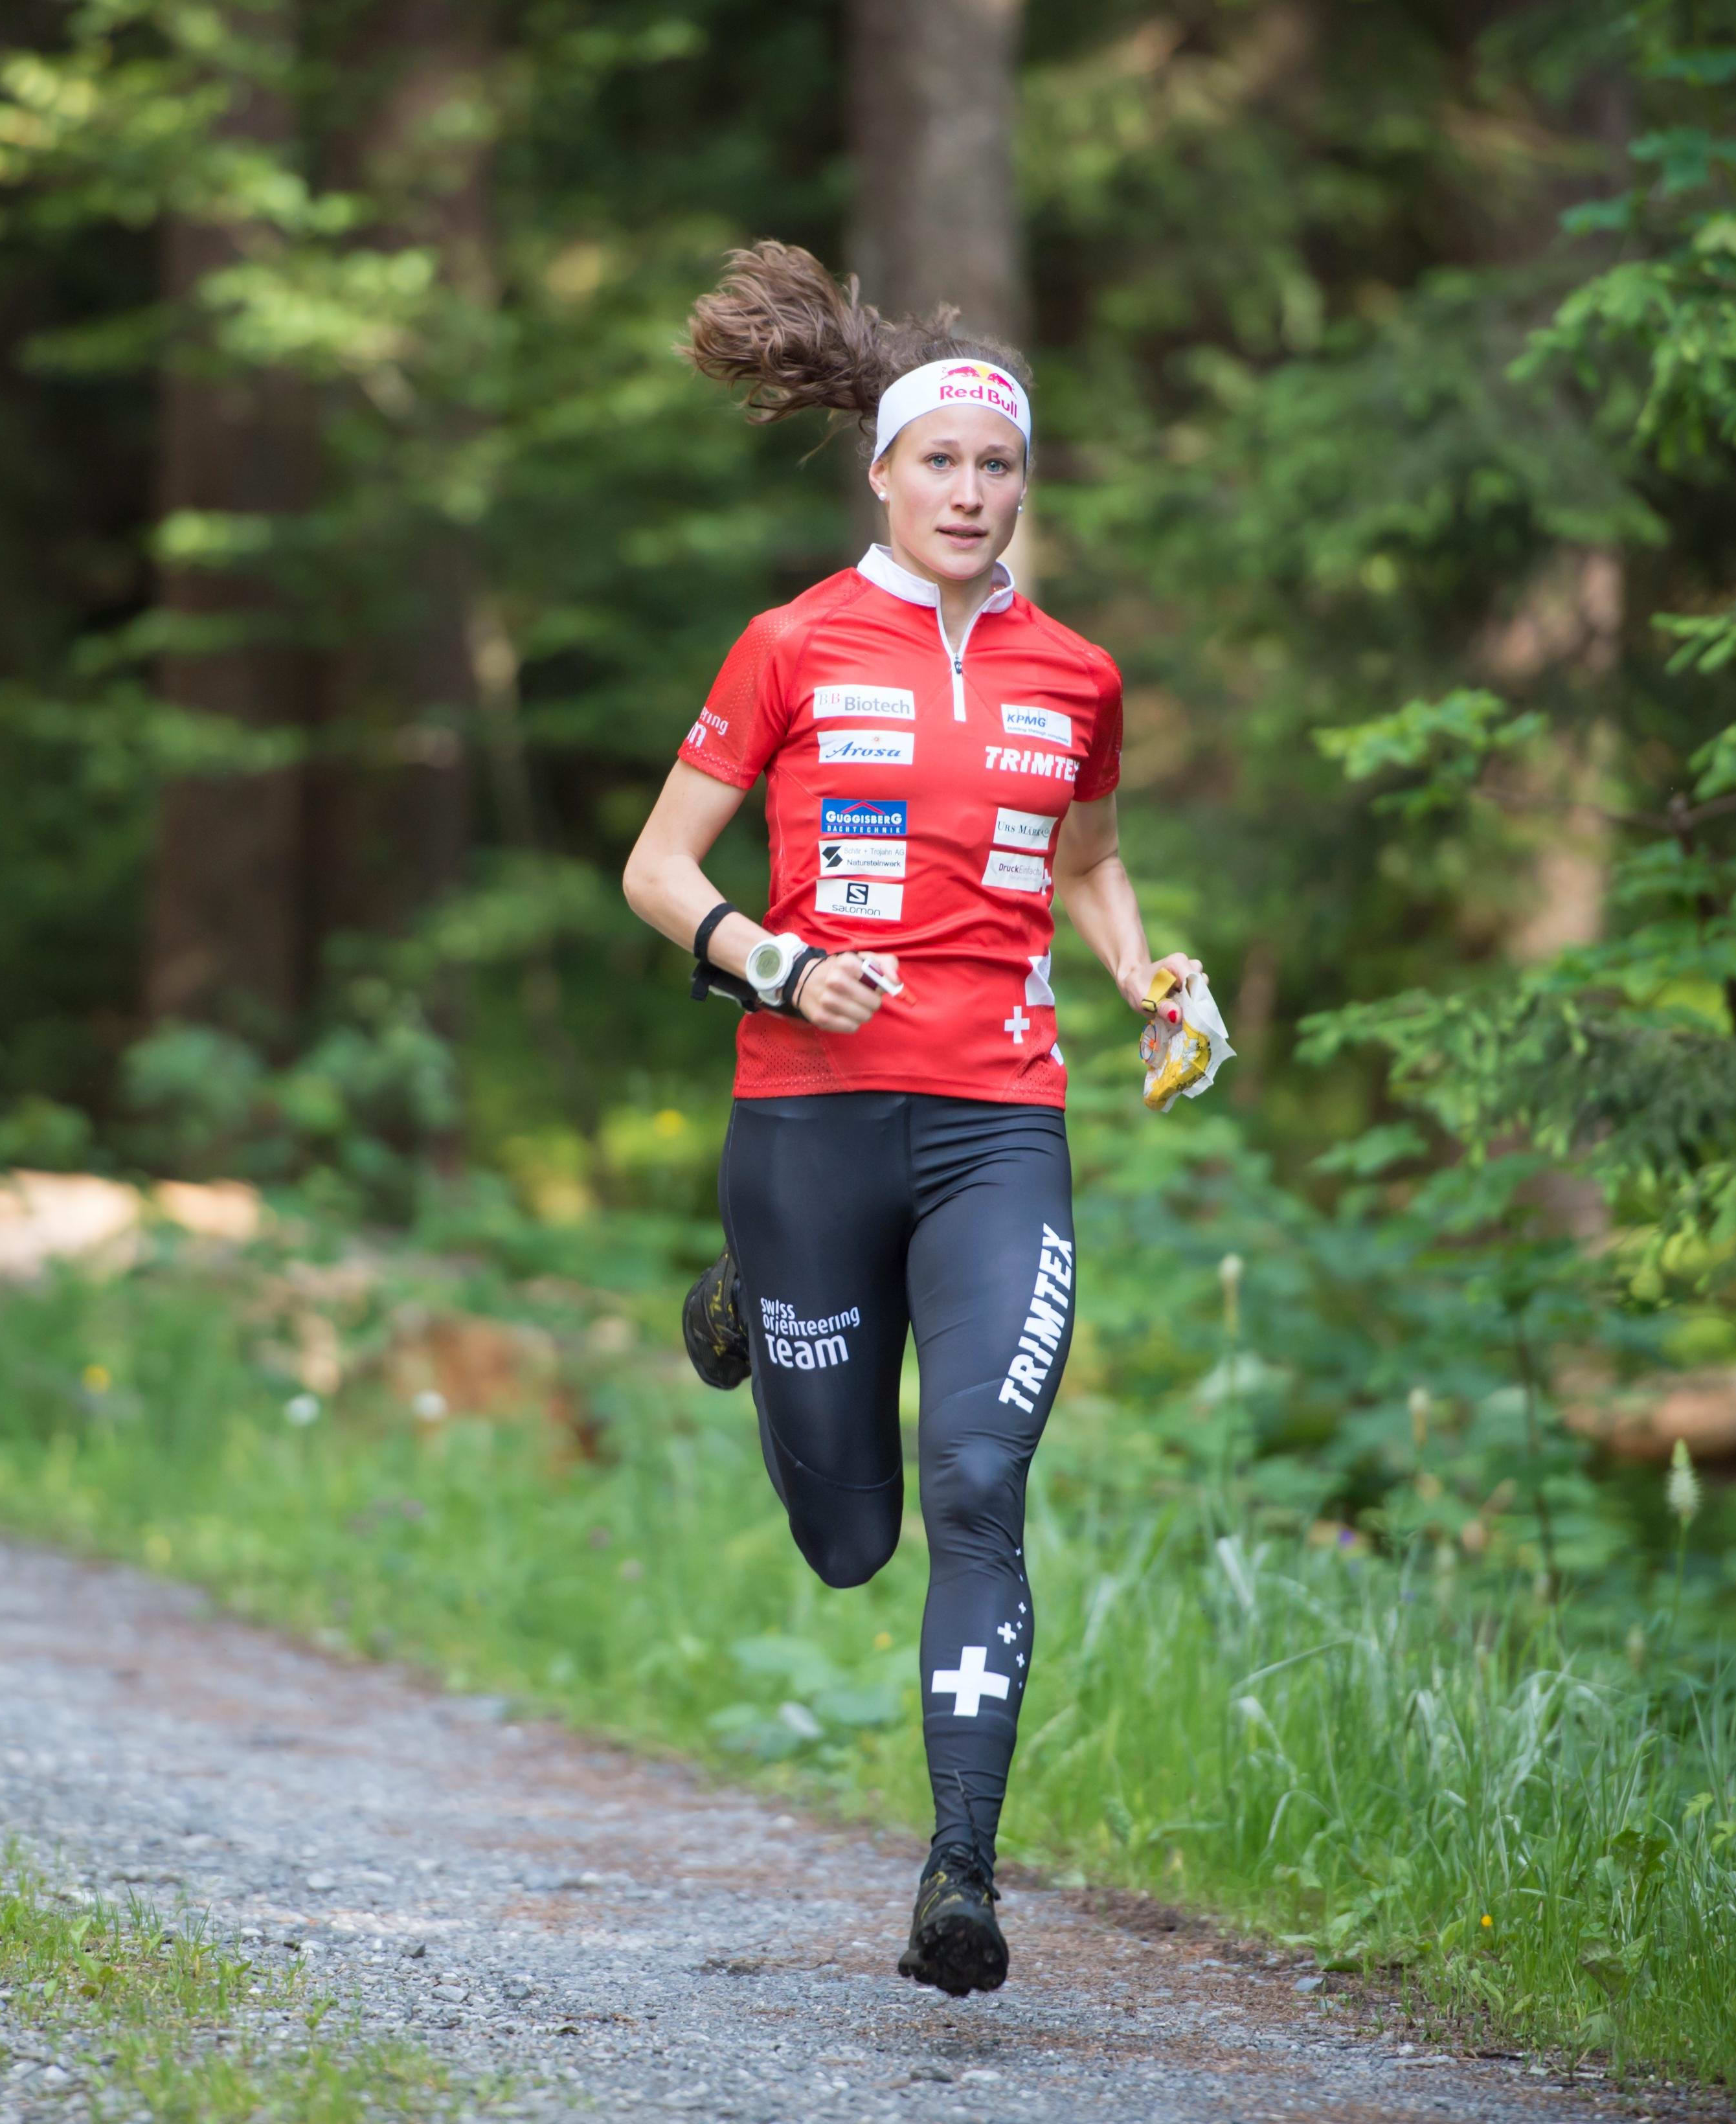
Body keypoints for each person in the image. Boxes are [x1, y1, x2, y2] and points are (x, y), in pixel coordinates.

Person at [620, 242, 1199, 1998]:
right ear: (882, 473)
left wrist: (1148, 974)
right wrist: (774, 966)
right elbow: (656, 870)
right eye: (939, 461)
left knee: (974, 1485)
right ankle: (751, 1292)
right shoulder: (794, 641)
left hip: (996, 1121)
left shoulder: (1077, 676)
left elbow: (1089, 870)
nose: (970, 491)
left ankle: (960, 1874)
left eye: (998, 464)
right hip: (806, 1116)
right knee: (846, 1536)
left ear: (1026, 484)